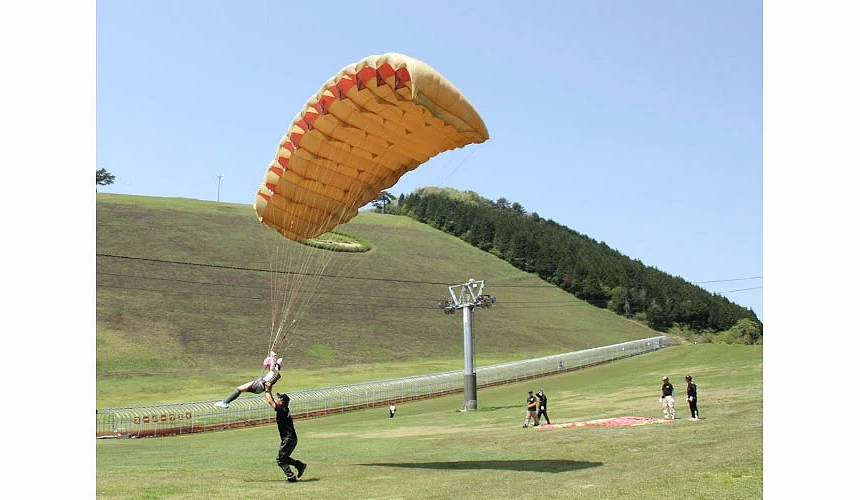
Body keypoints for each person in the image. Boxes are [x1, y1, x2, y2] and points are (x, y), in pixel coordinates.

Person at [264, 382, 307, 483]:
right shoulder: (283, 408)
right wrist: (269, 390)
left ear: (282, 402)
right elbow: (273, 401)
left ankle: (291, 476)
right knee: (284, 457)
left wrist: (267, 390)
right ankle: (299, 465)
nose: (277, 399)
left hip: (288, 438)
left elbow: (270, 401)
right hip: (290, 438)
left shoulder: (282, 409)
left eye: (279, 399)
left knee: (280, 459)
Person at [215, 351, 283, 408]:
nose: (267, 367)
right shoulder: (276, 374)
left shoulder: (275, 371)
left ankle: (225, 403)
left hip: (259, 385)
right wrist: (272, 358)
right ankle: (225, 402)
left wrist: (273, 357)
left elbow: (272, 367)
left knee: (239, 389)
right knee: (240, 390)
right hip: (260, 387)